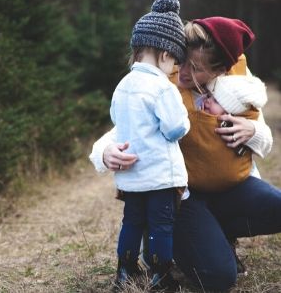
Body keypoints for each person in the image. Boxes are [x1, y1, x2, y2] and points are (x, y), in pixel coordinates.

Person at [89, 16, 281, 292]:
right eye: (183, 62)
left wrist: (253, 131)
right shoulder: (161, 81)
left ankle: (217, 231)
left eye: (197, 68)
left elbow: (264, 136)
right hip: (180, 196)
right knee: (218, 278)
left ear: (220, 71)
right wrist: (104, 152)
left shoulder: (238, 82)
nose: (184, 73)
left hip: (229, 188)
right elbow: (126, 126)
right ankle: (162, 233)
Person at [109, 0, 190, 290]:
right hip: (160, 176)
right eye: (176, 61)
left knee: (131, 222)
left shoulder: (123, 85)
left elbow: (118, 122)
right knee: (160, 226)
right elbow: (174, 128)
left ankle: (125, 270)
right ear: (165, 54)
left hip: (131, 177)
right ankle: (161, 274)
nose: (175, 69)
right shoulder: (161, 87)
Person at [182, 74, 268, 193]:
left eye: (216, 101)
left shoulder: (242, 89)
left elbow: (267, 144)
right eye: (209, 96)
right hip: (192, 188)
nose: (207, 101)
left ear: (231, 113)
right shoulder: (188, 97)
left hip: (239, 182)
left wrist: (254, 131)